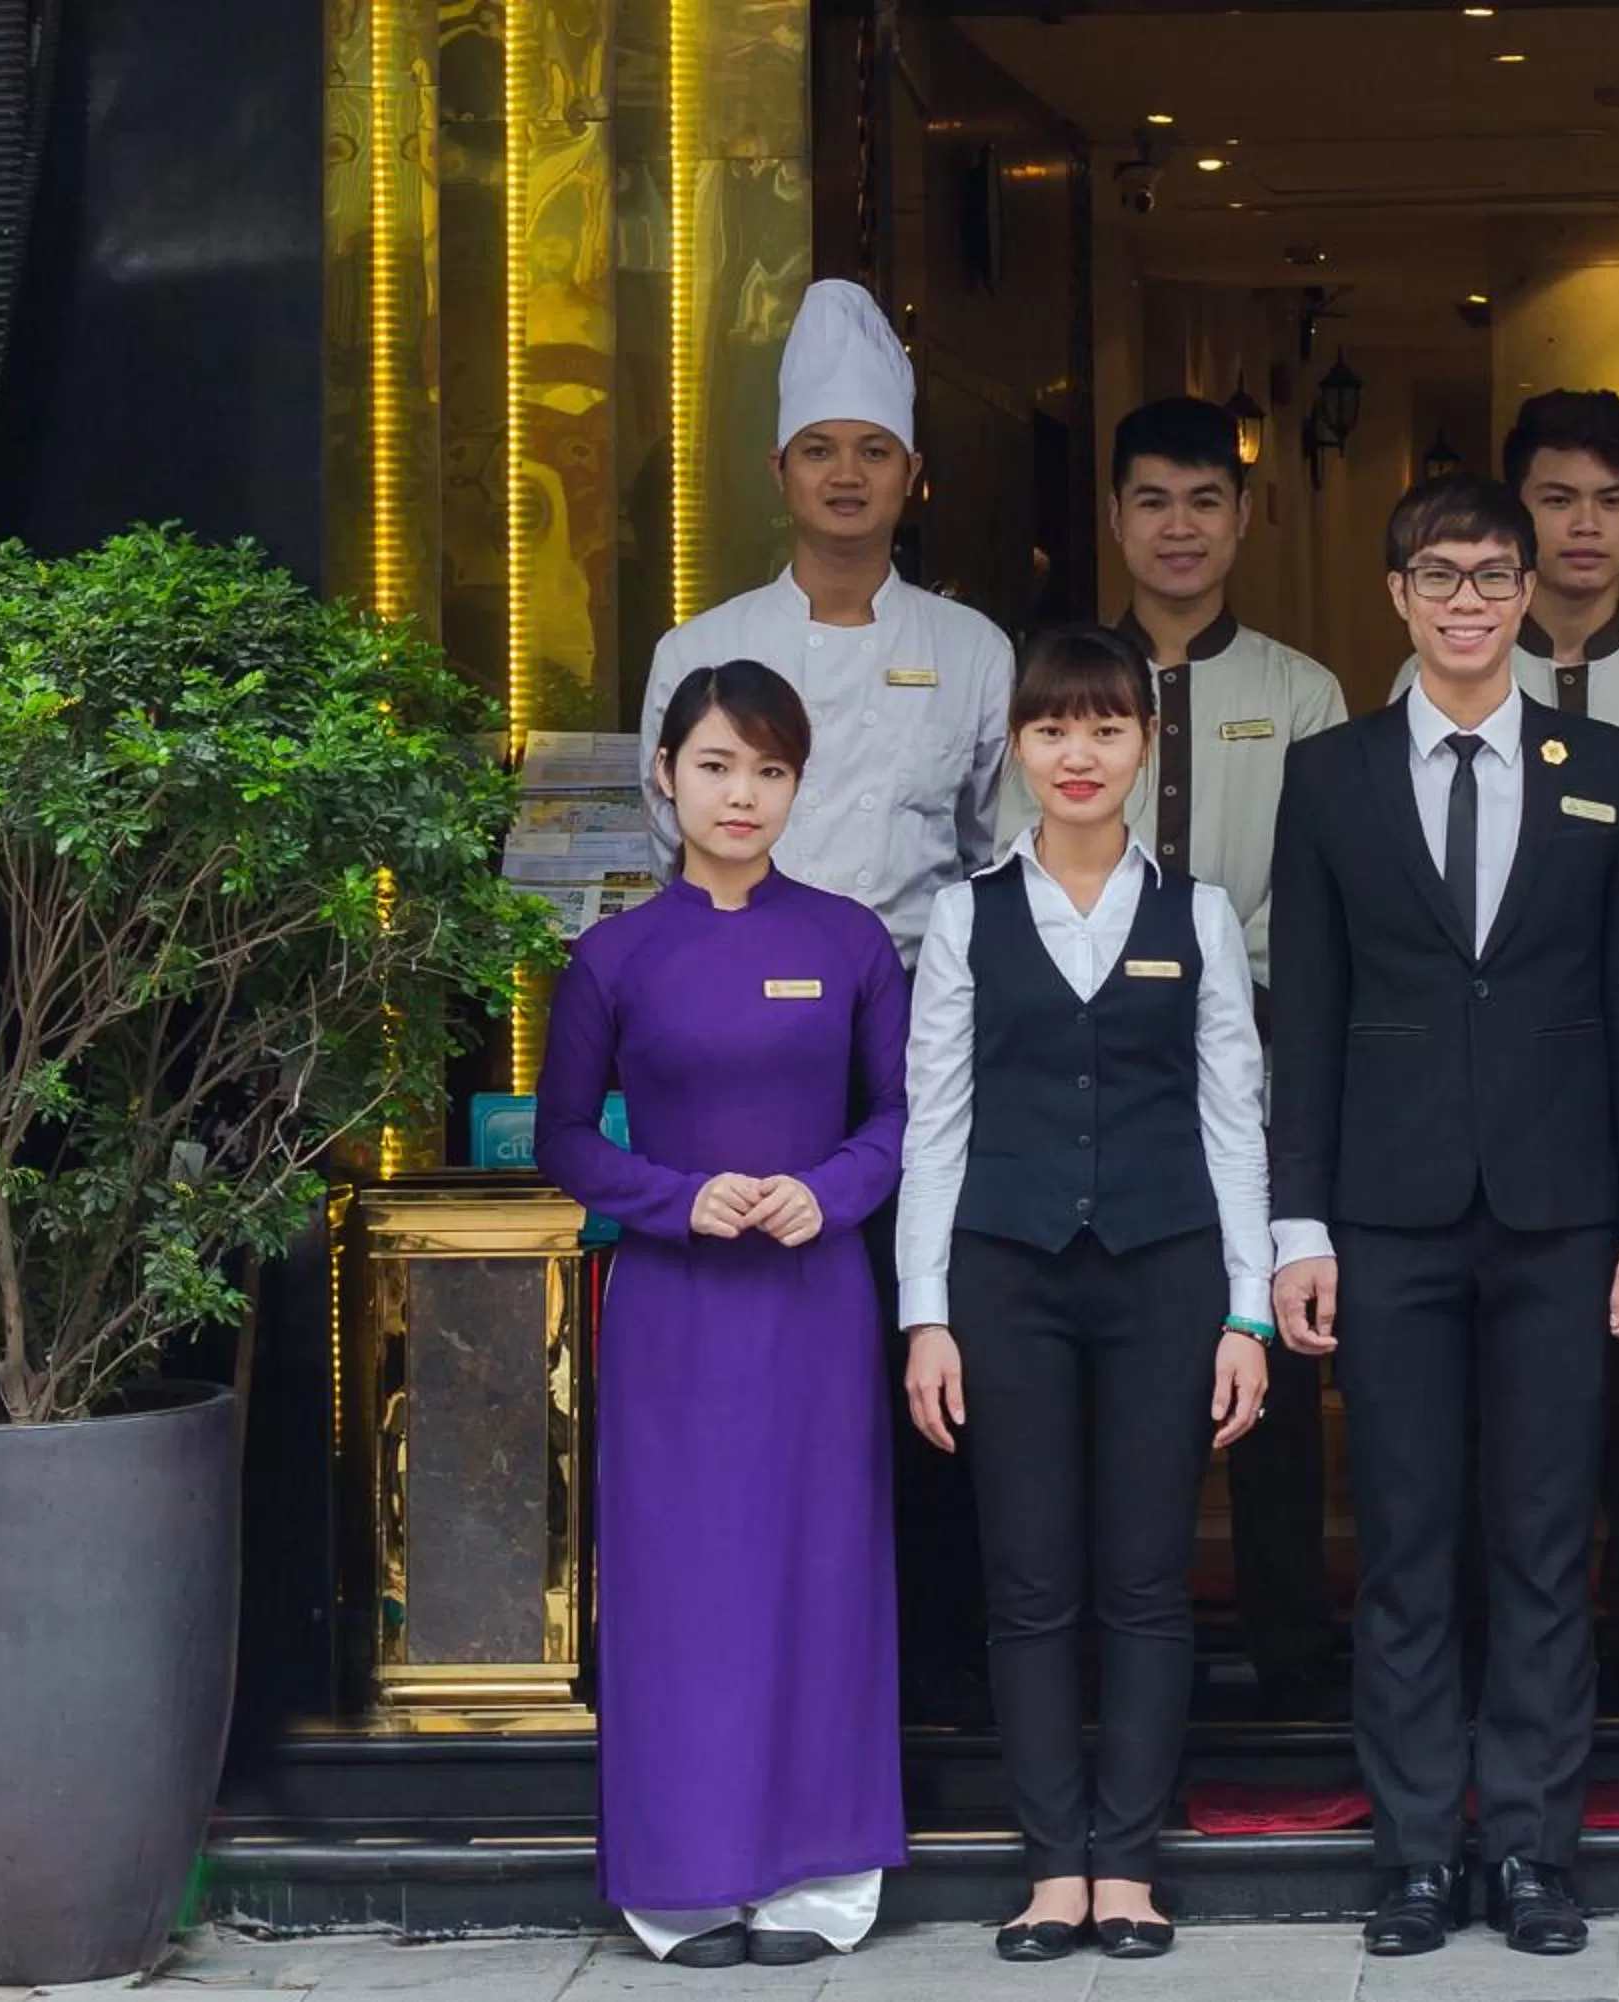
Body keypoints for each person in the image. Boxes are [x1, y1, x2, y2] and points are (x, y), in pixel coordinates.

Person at [1268, 474, 1619, 1958]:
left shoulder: (1612, 768)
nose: (1469, 599)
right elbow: (1304, 1020)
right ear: (1395, 593)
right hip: (1384, 1215)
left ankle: (1528, 1847)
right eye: (1441, 575)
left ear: (1527, 595)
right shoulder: (1329, 775)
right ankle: (1412, 1854)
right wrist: (1294, 1229)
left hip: (1566, 1210)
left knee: (1536, 1536)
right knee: (1401, 1537)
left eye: (1494, 576)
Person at [637, 277, 1015, 1725]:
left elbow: (997, 858)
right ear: (779, 471)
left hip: (919, 1056)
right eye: (819, 449)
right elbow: (673, 854)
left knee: (920, 1355)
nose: (847, 474)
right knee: (759, 1380)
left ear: (914, 474)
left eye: (874, 449)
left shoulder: (976, 651)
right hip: (735, 1073)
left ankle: (924, 1680)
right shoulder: (703, 651)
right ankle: (755, 1673)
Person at [897, 625, 1276, 1965]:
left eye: (1105, 728)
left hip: (1168, 1273)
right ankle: (1051, 1863)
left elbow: (1237, 1117)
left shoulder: (1199, 914)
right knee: (1031, 1578)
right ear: (1016, 746)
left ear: (1144, 746)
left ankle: (1131, 1861)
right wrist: (925, 1313)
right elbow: (932, 1124)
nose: (1079, 753)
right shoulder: (967, 914)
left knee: (1148, 1579)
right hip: (1005, 1274)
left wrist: (1250, 1312)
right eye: (1055, 728)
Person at [538, 661, 911, 1970]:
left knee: (823, 1565)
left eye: (767, 769)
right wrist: (675, 1198)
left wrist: (832, 1191)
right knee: (682, 1579)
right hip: (674, 1312)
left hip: (816, 1302)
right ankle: (684, 1873)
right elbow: (565, 1138)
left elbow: (900, 1119)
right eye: (715, 765)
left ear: (798, 785)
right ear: (665, 774)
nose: (740, 793)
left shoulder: (849, 940)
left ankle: (819, 1868)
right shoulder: (614, 953)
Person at [1000, 396, 1351, 1720]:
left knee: (1265, 1327)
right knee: (1106, 1331)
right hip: (1093, 1042)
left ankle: (1289, 1643)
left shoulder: (1300, 688)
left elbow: (1323, 885)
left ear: (1244, 516)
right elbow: (1014, 863)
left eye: (1206, 500)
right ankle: (1095, 1642)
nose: (1181, 525)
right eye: (1152, 499)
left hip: (1263, 1024)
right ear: (1114, 517)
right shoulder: (1063, 686)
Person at [1393, 389, 1619, 1717]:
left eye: (1612, 500)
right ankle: (1491, 1648)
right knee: (1483, 1412)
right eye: (1557, 498)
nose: (1586, 526)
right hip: (1479, 1095)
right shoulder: (1445, 662)